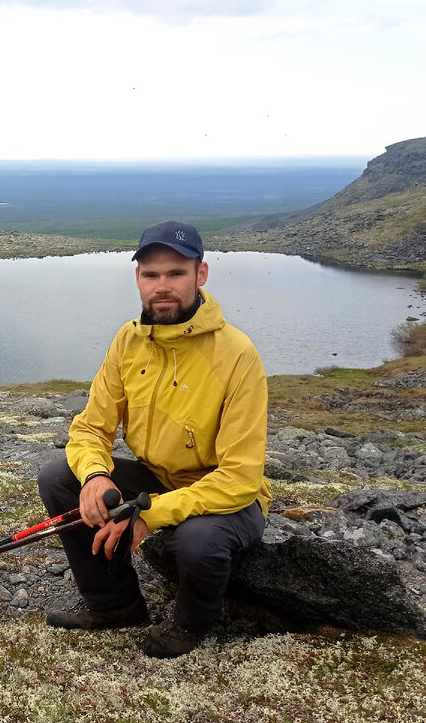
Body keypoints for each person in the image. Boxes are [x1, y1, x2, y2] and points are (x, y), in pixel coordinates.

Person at [37, 220, 271, 658]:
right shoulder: (129, 340)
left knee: (196, 541)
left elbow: (240, 477)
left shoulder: (238, 354)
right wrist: (94, 476)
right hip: (158, 478)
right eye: (151, 275)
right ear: (138, 279)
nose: (162, 286)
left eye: (176, 273)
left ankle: (191, 624)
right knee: (59, 477)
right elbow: (90, 428)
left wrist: (149, 514)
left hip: (230, 497)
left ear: (201, 275)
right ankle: (116, 607)